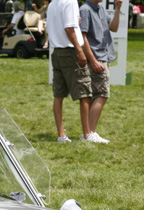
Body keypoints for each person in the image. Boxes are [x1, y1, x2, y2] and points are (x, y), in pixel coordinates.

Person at [46, 0, 91, 143]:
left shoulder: (53, 3)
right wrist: (80, 51)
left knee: (58, 95)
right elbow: (69, 29)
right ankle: (87, 134)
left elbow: (59, 26)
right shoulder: (71, 1)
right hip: (70, 52)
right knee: (85, 93)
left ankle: (61, 135)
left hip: (57, 52)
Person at [79, 0, 121, 143]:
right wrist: (94, 60)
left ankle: (88, 133)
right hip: (97, 59)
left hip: (103, 57)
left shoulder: (100, 9)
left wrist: (117, 9)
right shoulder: (85, 10)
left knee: (94, 96)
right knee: (102, 94)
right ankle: (90, 133)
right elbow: (82, 37)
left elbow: (113, 28)